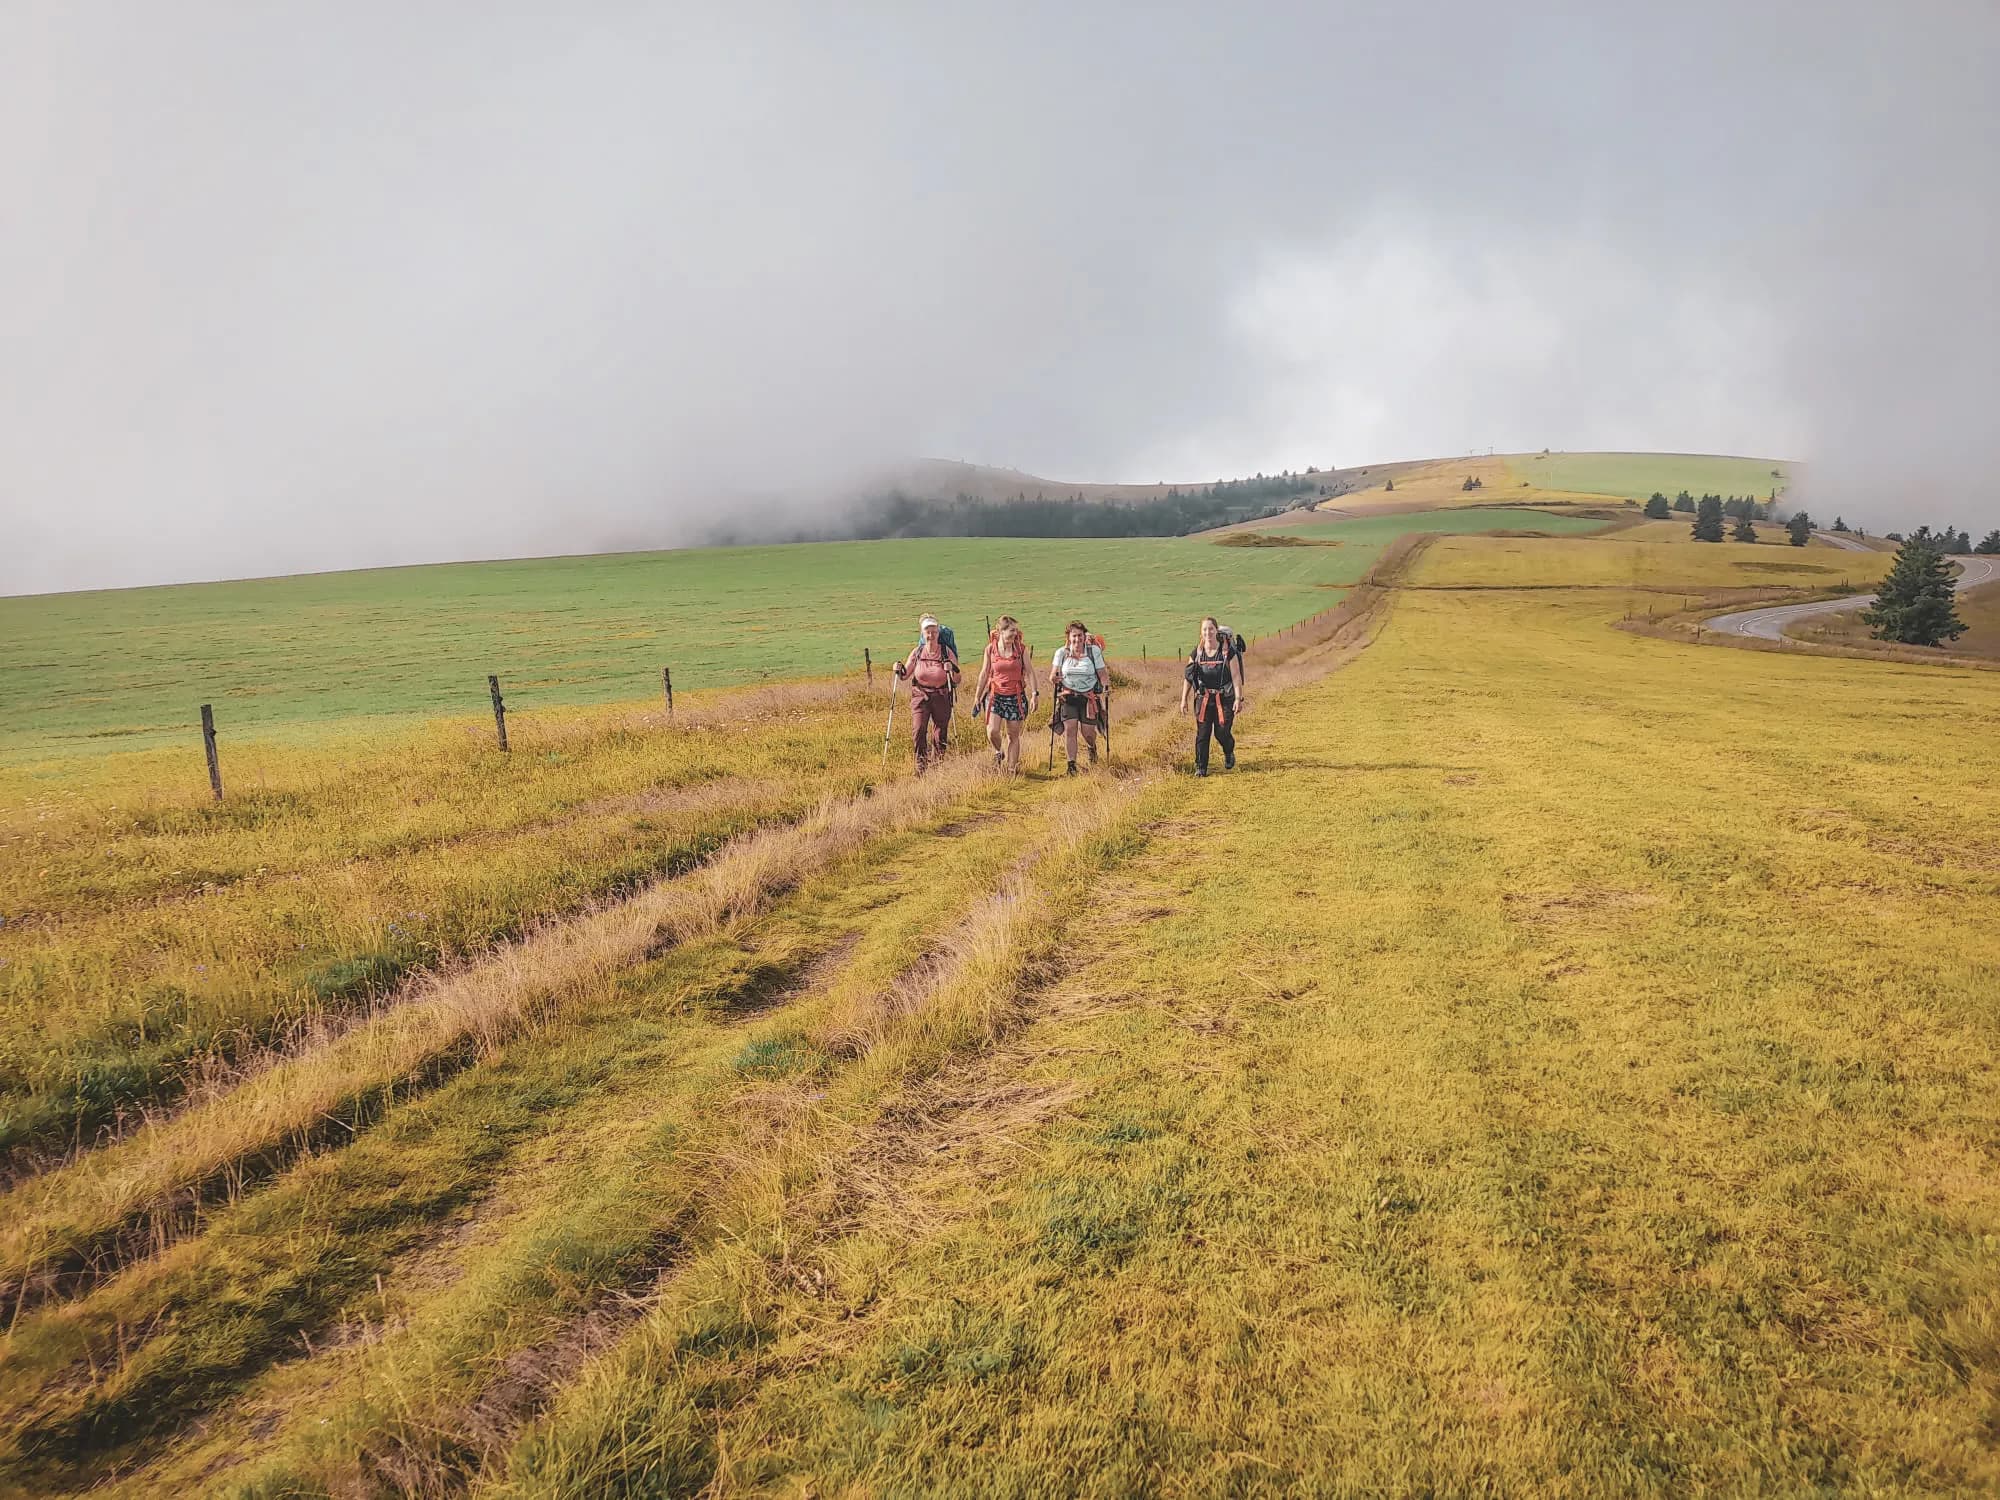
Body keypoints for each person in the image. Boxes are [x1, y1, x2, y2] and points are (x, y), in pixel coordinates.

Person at [1179, 615, 1247, 776]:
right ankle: (1200, 768)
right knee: (1202, 733)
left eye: (1210, 628)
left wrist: (1238, 698)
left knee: (1221, 732)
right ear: (1200, 633)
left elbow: (1236, 676)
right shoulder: (1197, 653)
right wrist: (1183, 700)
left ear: (1216, 631)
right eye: (1204, 629)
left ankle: (1228, 751)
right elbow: (1188, 678)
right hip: (1203, 698)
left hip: (1225, 698)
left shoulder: (1227, 653)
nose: (1208, 632)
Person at [897, 614, 959, 772]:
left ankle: (938, 763)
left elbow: (957, 679)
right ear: (922, 634)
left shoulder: (946, 652)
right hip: (920, 695)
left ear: (938, 633)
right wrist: (898, 669)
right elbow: (905, 675)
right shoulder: (917, 652)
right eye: (927, 632)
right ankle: (921, 764)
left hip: (942, 695)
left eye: (934, 632)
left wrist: (951, 669)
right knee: (918, 729)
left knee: (940, 732)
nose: (931, 635)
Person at [975, 615, 1038, 772]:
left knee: (1013, 735)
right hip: (995, 695)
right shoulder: (990, 649)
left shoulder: (1021, 649)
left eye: (1015, 630)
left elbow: (1030, 672)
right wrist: (977, 696)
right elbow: (984, 673)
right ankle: (998, 751)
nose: (1014, 634)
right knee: (992, 731)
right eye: (1011, 630)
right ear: (1000, 631)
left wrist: (1034, 694)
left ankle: (1011, 770)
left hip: (1015, 696)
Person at [1049, 619, 1108, 775]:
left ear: (1084, 636)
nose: (1077, 639)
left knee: (1088, 732)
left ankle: (1091, 747)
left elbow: (1102, 673)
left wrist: (1106, 685)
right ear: (1069, 637)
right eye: (1074, 636)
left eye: (1080, 635)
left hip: (1088, 697)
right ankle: (1071, 766)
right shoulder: (1061, 653)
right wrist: (1054, 678)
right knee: (1071, 729)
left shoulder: (1093, 652)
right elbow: (1053, 674)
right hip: (1068, 696)